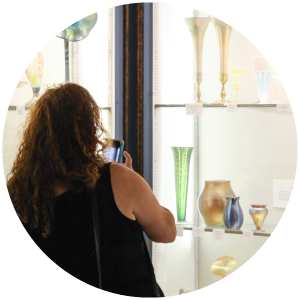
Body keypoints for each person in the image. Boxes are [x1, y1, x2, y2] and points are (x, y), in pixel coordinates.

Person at [7, 82, 176, 297]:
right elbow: (167, 231)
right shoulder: (119, 179)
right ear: (89, 128)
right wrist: (136, 185)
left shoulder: (18, 190)